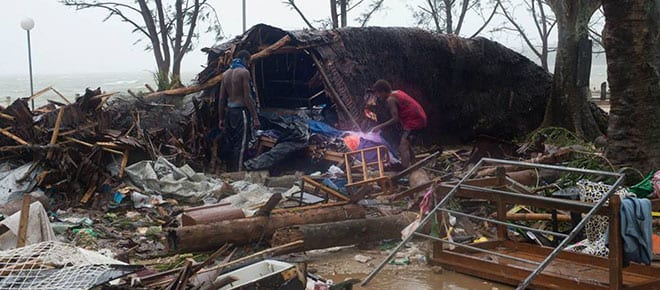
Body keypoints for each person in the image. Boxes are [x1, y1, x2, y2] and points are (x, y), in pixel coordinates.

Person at [218, 50, 260, 171]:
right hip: (241, 112)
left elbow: (221, 99)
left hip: (229, 112)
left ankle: (229, 170)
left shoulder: (226, 74)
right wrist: (255, 117)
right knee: (241, 143)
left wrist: (221, 118)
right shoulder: (243, 73)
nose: (248, 64)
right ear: (245, 60)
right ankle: (238, 172)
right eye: (249, 62)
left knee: (231, 142)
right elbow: (247, 97)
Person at [369, 79, 427, 168]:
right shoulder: (397, 92)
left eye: (378, 94)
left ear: (383, 91)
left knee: (403, 146)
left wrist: (379, 126)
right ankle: (414, 164)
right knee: (405, 142)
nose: (378, 97)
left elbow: (395, 119)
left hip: (414, 121)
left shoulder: (390, 99)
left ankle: (404, 169)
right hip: (419, 117)